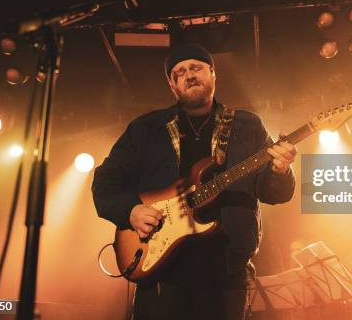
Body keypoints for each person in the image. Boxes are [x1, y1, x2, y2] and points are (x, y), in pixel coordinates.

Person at [91, 43, 297, 320]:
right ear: (172, 84)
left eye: (196, 67)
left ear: (213, 74)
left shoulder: (248, 125)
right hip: (162, 275)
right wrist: (131, 211)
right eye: (179, 72)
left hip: (226, 273)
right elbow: (105, 181)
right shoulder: (145, 129)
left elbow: (273, 193)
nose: (189, 75)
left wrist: (280, 170)